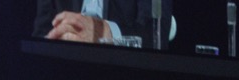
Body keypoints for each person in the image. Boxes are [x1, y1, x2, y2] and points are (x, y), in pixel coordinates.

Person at [35, 0, 172, 50]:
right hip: (64, 69)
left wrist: (106, 33)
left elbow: (156, 36)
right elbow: (40, 34)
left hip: (126, 74)